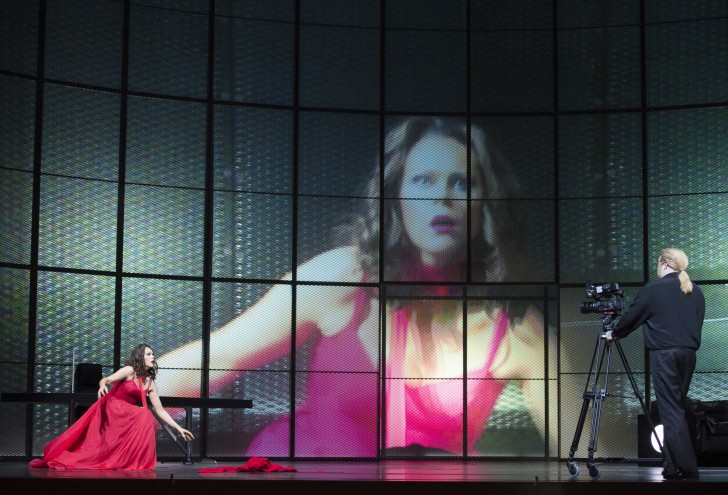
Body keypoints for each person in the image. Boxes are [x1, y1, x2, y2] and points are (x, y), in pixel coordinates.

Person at [158, 116, 554, 457]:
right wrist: (127, 402)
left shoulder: (518, 330)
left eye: (462, 183)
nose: (441, 198)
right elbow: (217, 357)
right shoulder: (342, 277)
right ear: (396, 196)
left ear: (487, 203)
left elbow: (586, 450)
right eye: (423, 180)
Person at [606, 248, 705, 480]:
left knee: (671, 412)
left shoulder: (654, 289)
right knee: (674, 410)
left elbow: (632, 317)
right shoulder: (696, 291)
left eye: (657, 263)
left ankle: (688, 469)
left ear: (664, 263)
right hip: (688, 355)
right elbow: (697, 323)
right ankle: (671, 466)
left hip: (665, 356)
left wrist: (615, 333)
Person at [29, 344, 194, 470]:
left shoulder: (151, 384)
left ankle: (131, 460)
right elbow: (106, 380)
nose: (153, 356)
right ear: (140, 357)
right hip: (111, 410)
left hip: (125, 417)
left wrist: (179, 428)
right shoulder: (129, 371)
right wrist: (102, 386)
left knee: (145, 414)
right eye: (148, 354)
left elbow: (160, 410)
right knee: (93, 449)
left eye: (153, 354)